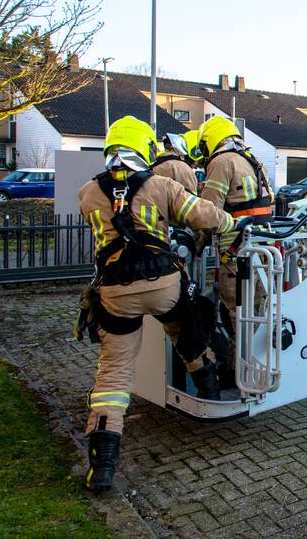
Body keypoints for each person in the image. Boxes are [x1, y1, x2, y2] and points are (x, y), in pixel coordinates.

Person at [78, 115, 242, 493]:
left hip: (115, 293)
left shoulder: (88, 193)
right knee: (187, 331)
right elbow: (202, 215)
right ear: (145, 149)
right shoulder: (160, 185)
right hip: (163, 285)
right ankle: (208, 391)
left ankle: (102, 465)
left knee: (113, 374)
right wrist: (231, 224)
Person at [195, 116, 274, 385]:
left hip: (235, 250)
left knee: (237, 313)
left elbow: (208, 212)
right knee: (256, 310)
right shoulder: (254, 159)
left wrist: (198, 242)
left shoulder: (221, 162)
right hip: (262, 247)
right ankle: (252, 368)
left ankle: (240, 376)